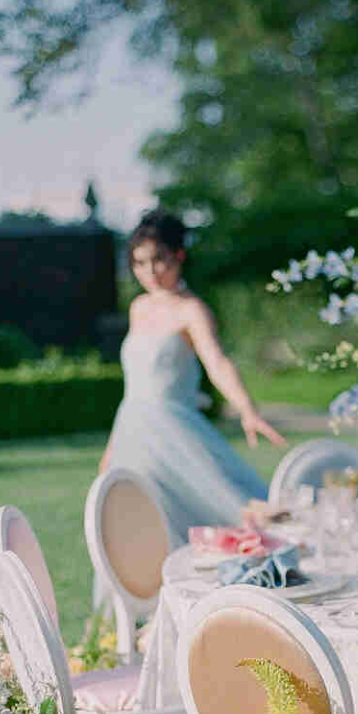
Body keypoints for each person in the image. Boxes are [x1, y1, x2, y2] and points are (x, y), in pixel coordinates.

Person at [99, 209, 287, 543]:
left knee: (221, 515)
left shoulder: (191, 310)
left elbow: (216, 362)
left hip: (175, 434)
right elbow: (134, 389)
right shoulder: (138, 308)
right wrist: (113, 446)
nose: (150, 271)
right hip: (132, 436)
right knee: (139, 530)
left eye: (160, 260)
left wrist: (246, 409)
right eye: (140, 263)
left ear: (179, 256)